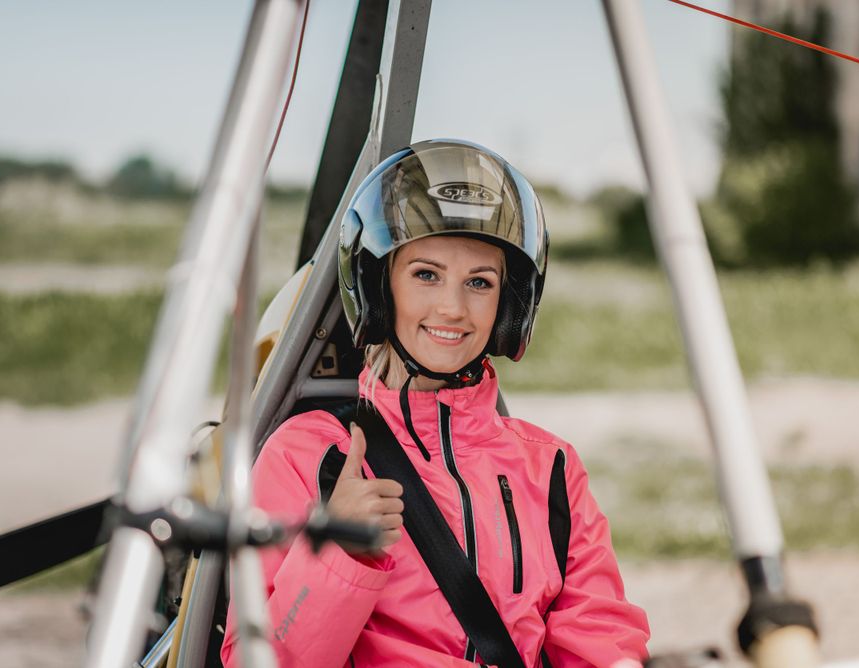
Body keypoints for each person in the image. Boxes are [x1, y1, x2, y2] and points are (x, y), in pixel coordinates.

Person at [221, 139, 649, 667]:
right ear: (380, 289)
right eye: (426, 274)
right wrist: (337, 551)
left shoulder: (551, 468)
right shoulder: (307, 456)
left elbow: (598, 633)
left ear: (508, 306)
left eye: (479, 282)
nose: (452, 307)